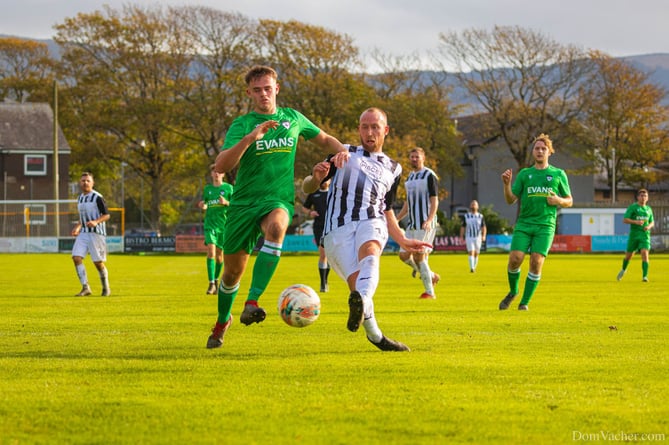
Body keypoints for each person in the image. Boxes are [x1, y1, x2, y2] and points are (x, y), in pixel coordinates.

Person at [206, 65, 348, 349]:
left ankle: (252, 301)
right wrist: (250, 139)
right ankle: (223, 321)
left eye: (267, 89)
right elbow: (221, 165)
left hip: (277, 199)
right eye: (257, 90)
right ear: (249, 93)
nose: (263, 94)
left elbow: (324, 139)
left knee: (277, 226)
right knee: (232, 274)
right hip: (243, 204)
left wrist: (343, 150)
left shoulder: (292, 118)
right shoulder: (242, 125)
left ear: (277, 89)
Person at [303, 107, 432, 351]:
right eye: (364, 126)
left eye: (375, 127)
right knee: (359, 288)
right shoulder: (344, 152)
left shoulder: (394, 169)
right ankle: (376, 336)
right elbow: (308, 188)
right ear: (359, 129)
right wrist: (316, 177)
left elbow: (387, 209)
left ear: (386, 130)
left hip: (371, 221)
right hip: (336, 230)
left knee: (371, 251)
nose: (369, 132)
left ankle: (363, 305)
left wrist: (402, 239)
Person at [498, 134, 572, 311]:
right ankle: (514, 291)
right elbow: (510, 200)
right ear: (533, 152)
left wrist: (558, 201)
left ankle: (524, 302)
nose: (540, 151)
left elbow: (569, 200)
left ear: (549, 152)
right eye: (537, 148)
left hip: (545, 225)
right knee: (515, 259)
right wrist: (506, 185)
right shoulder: (525, 174)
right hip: (524, 223)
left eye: (543, 149)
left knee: (536, 262)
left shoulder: (558, 174)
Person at [395, 147, 440, 299]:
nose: (414, 159)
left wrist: (429, 220)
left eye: (417, 157)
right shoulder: (409, 178)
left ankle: (429, 292)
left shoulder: (429, 175)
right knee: (403, 255)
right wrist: (397, 218)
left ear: (423, 158)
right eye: (412, 157)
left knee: (420, 257)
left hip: (425, 223)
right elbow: (408, 203)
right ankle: (431, 275)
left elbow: (435, 200)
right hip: (413, 224)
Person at [71, 172, 111, 297]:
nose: (85, 183)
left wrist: (96, 222)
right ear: (80, 183)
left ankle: (105, 287)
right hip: (84, 233)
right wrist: (78, 227)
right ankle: (85, 287)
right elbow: (82, 218)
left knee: (98, 262)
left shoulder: (97, 197)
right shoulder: (80, 198)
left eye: (88, 180)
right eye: (83, 181)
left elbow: (107, 215)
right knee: (76, 257)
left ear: (92, 183)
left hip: (96, 234)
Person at [197, 164, 233, 295]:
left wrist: (226, 203)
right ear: (212, 174)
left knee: (219, 257)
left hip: (223, 226)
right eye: (214, 172)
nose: (216, 174)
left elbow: (235, 206)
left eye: (219, 172)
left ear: (223, 174)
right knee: (211, 252)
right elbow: (206, 204)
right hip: (210, 225)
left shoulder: (228, 188)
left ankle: (216, 281)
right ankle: (211, 283)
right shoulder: (208, 189)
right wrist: (203, 205)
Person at [617, 189, 654, 282]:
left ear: (648, 198)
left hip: (645, 236)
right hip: (634, 235)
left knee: (644, 254)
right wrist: (636, 222)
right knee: (628, 256)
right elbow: (625, 220)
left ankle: (645, 276)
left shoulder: (649, 209)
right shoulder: (633, 207)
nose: (643, 197)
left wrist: (648, 226)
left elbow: (652, 222)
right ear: (638, 197)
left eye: (645, 196)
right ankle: (623, 269)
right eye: (641, 196)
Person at [302, 178, 331, 292]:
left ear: (330, 181)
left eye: (326, 180)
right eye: (322, 180)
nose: (324, 182)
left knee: (329, 256)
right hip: (319, 227)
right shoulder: (314, 194)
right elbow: (305, 208)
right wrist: (310, 212)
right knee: (323, 254)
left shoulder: (334, 193)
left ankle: (325, 280)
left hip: (333, 227)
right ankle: (323, 283)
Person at [460, 200, 487, 273]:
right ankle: (472, 268)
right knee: (471, 251)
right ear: (470, 206)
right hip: (469, 237)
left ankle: (474, 267)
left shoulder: (480, 216)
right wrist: (461, 236)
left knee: (476, 253)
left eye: (475, 204)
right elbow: (463, 227)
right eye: (472, 204)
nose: (473, 206)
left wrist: (484, 236)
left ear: (477, 207)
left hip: (478, 237)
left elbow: (483, 227)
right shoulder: (466, 216)